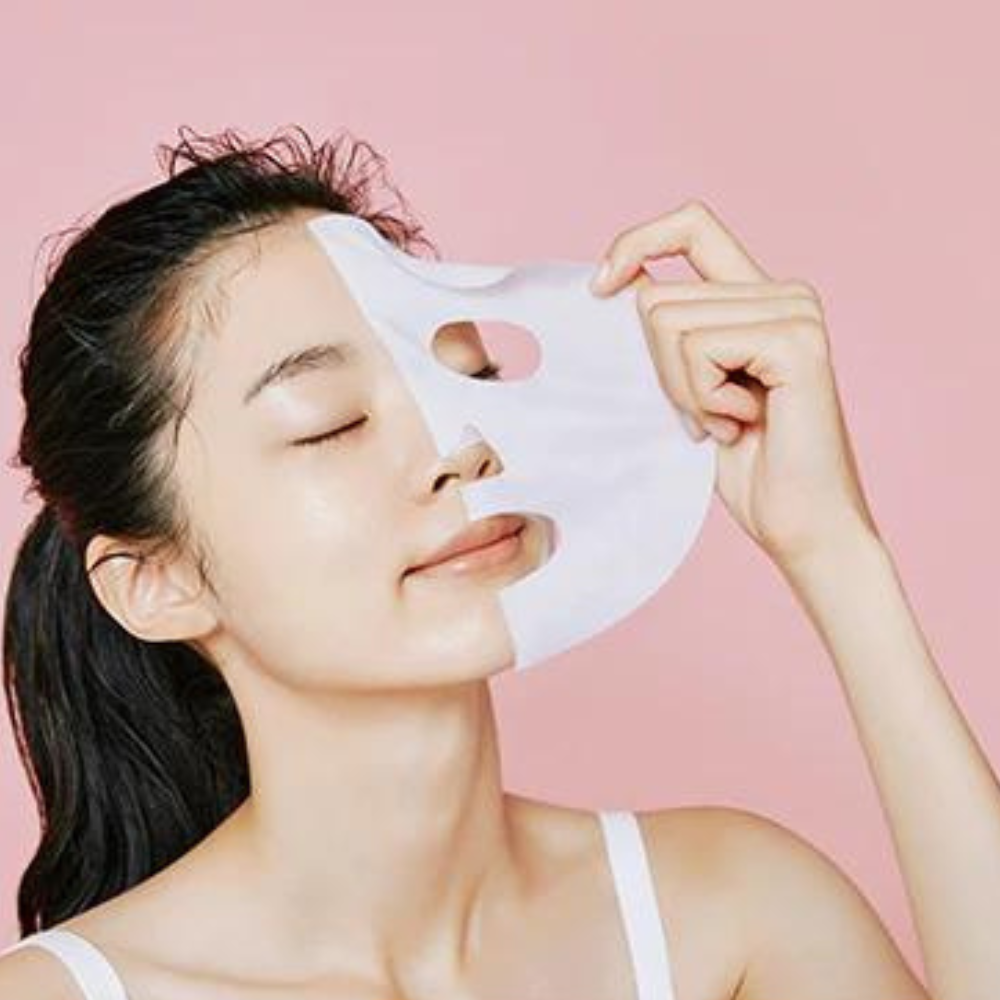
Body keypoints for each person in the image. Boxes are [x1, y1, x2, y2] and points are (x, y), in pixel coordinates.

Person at [0, 126, 996, 1000]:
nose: (462, 446)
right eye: (330, 424)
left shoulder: (729, 914)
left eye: (471, 381)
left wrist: (832, 546)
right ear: (156, 581)